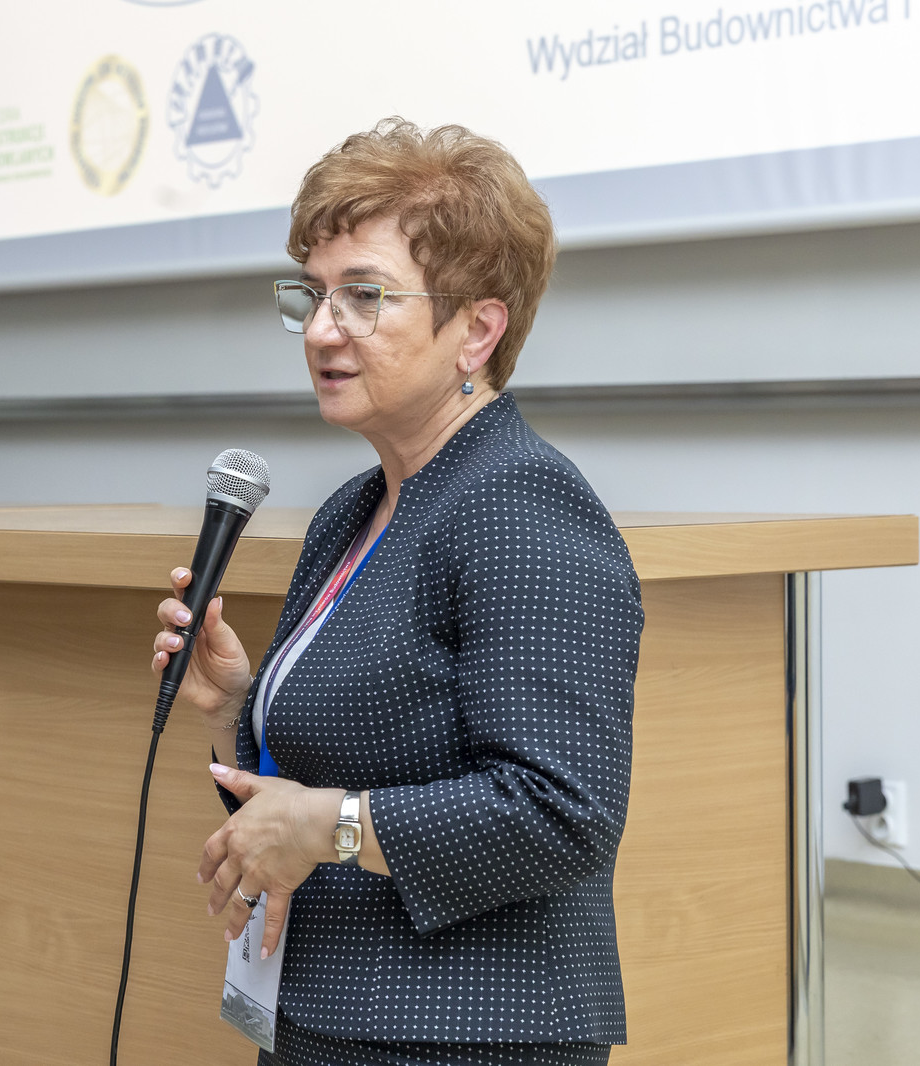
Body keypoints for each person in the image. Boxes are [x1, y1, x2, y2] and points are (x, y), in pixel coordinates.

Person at [150, 119, 644, 1066]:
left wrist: (325, 826)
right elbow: (323, 785)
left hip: (463, 1035)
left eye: (365, 296)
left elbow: (563, 811)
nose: (322, 330)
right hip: (325, 1016)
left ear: (478, 330)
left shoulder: (522, 506)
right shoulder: (354, 509)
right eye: (313, 294)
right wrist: (234, 707)